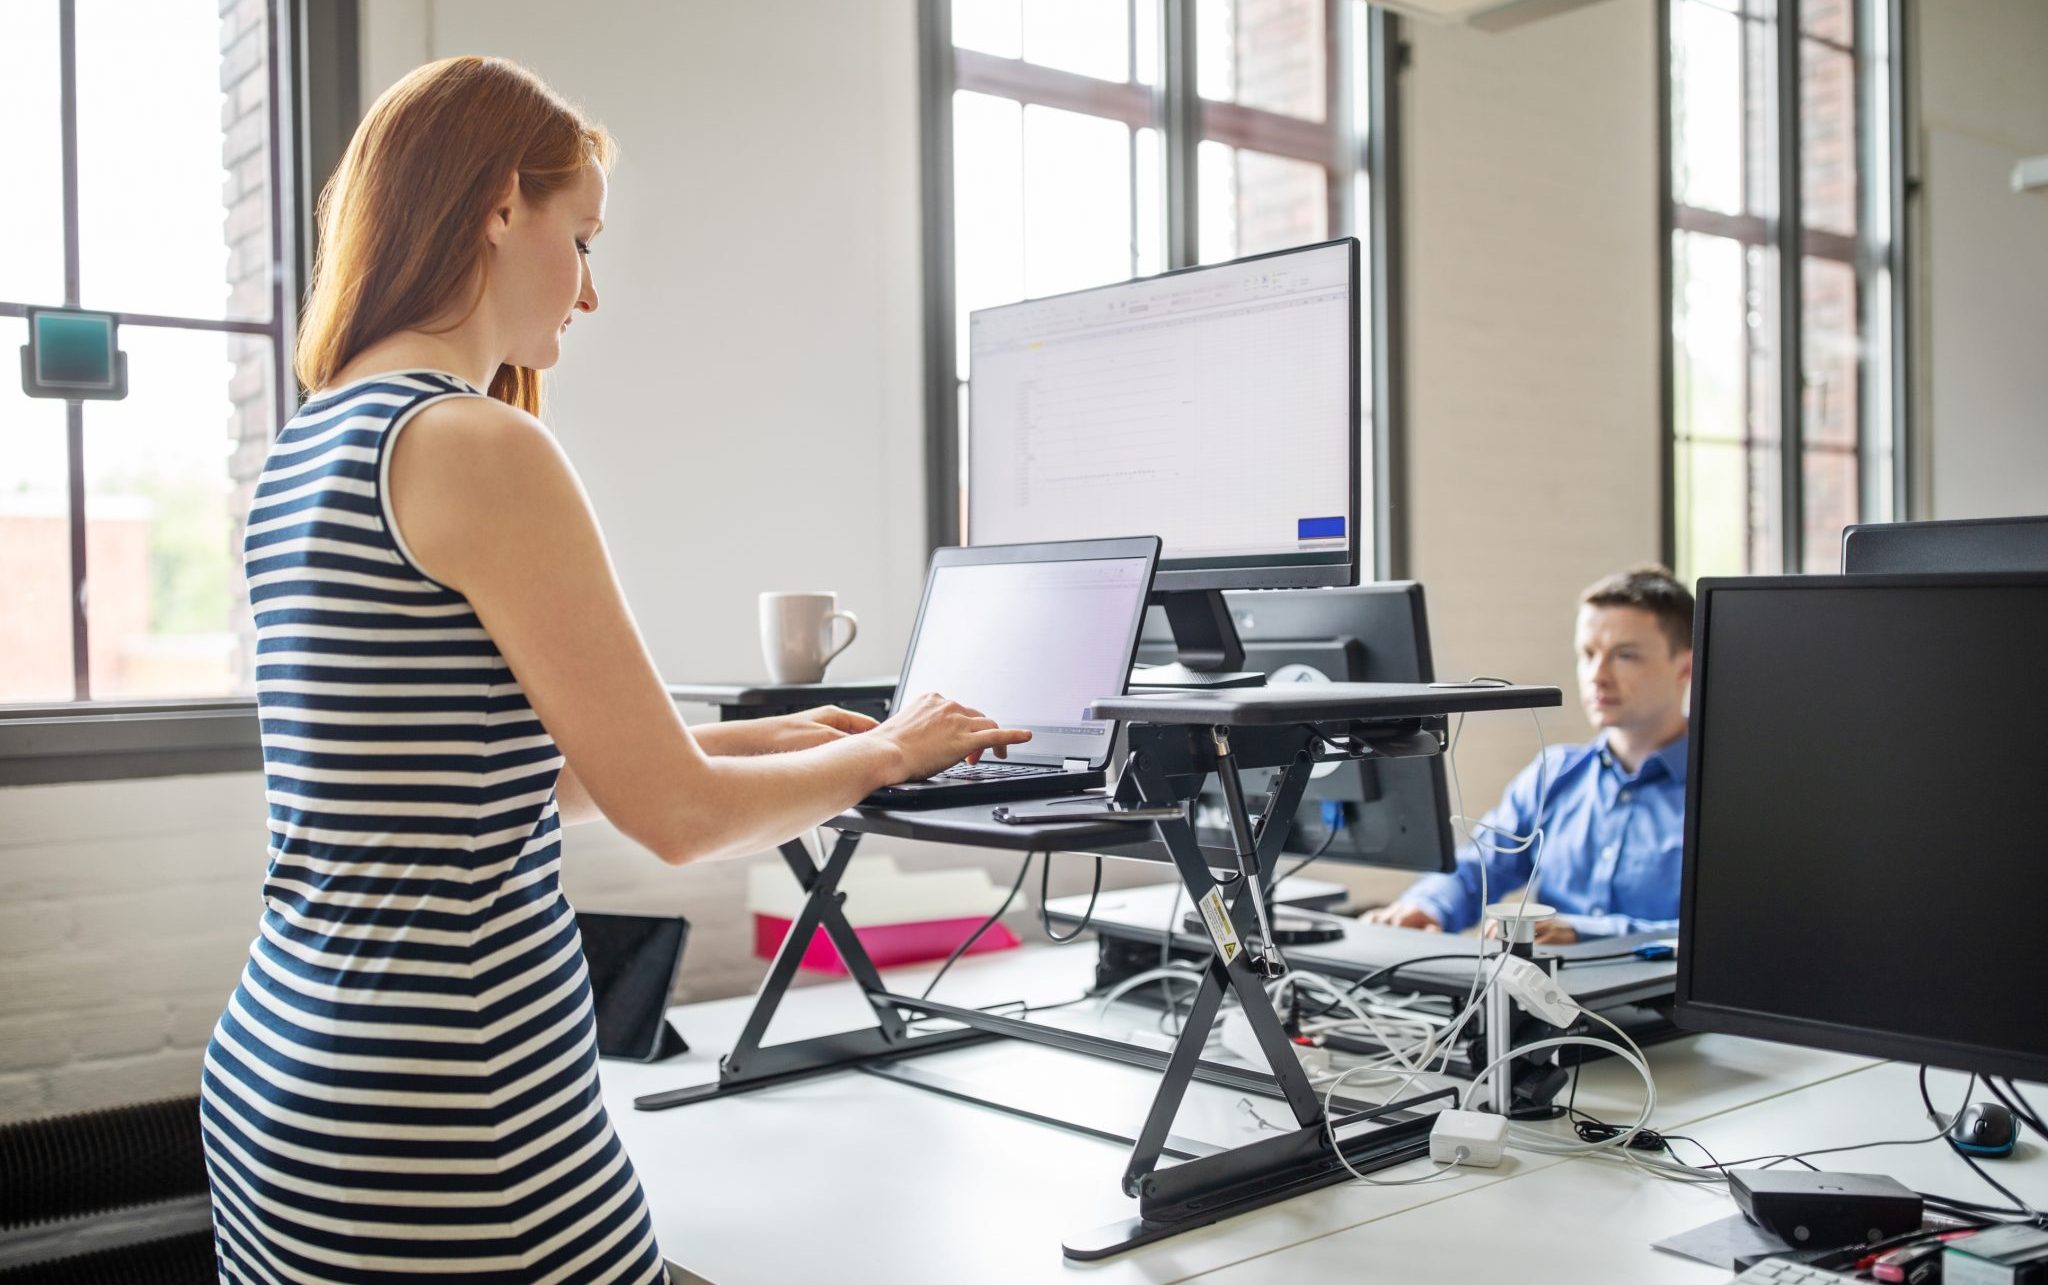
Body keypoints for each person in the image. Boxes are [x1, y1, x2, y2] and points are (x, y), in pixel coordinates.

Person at [198, 57, 1028, 1281]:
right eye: (580, 238)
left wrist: (791, 744)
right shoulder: (476, 441)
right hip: (453, 1101)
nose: (588, 293)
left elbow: (520, 776)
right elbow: (676, 819)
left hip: (288, 1082)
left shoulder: (307, 444)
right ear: (495, 205)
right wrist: (890, 755)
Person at [1364, 565, 1695, 944]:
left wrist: (1586, 933)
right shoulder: (1554, 774)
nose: (1597, 675)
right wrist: (1427, 906)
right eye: (1587, 654)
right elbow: (1481, 866)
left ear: (1685, 667)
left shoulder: (1728, 795)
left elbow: (1726, 934)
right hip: (1547, 998)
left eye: (1625, 656)